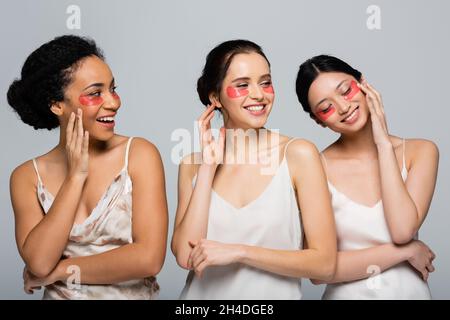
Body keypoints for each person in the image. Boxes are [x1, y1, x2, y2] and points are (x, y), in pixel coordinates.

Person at [171, 40, 337, 299]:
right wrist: (207, 168)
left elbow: (324, 265)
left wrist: (240, 252)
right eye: (242, 85)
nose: (259, 94)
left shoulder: (298, 154)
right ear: (215, 97)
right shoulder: (193, 166)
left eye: (265, 82)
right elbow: (185, 256)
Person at [7, 35, 168, 299]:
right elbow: (38, 262)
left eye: (113, 89)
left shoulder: (139, 155)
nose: (113, 102)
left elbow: (148, 259)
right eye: (95, 93)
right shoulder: (27, 177)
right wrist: (75, 177)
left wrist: (59, 271)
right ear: (57, 105)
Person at [295, 54, 438, 299]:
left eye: (346, 91)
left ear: (363, 84)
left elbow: (402, 230)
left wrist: (383, 143)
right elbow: (318, 271)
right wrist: (404, 252)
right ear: (318, 121)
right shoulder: (314, 167)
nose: (343, 107)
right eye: (326, 108)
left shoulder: (420, 152)